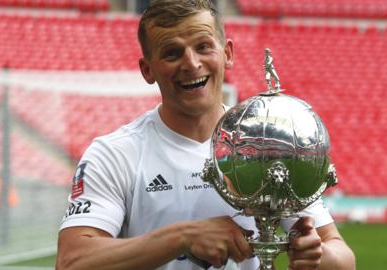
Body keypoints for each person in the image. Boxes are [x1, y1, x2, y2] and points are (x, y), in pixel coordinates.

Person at [55, 1, 356, 269]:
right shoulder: (114, 154)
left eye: (203, 47)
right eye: (172, 53)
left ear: (227, 54)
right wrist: (182, 237)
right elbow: (72, 262)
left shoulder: (271, 144)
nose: (191, 63)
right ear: (147, 70)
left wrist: (318, 257)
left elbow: (341, 255)